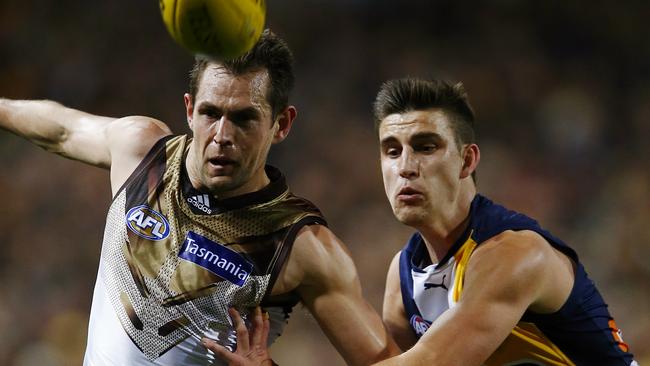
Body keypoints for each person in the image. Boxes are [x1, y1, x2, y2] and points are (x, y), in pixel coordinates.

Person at [0, 30, 399, 365]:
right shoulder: (143, 154)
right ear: (189, 110)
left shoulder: (301, 245)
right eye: (211, 113)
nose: (222, 135)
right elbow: (60, 130)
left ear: (282, 124)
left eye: (244, 118)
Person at [211, 78, 638, 366]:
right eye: (391, 150)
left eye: (426, 146)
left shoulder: (514, 256)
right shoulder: (404, 274)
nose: (406, 167)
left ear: (467, 160)